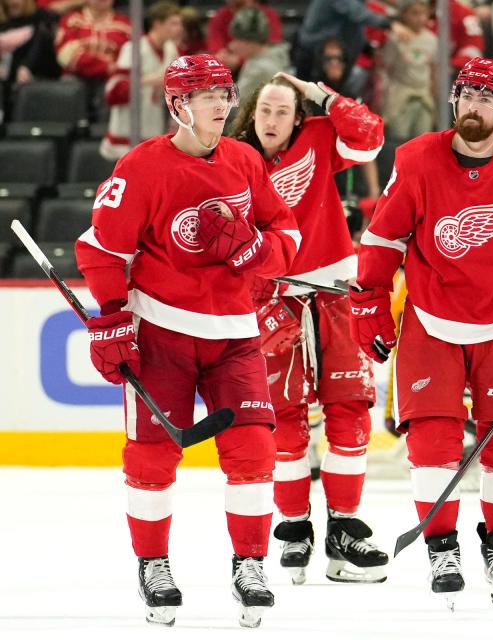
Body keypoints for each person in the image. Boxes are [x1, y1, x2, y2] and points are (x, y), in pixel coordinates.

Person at [74, 54, 301, 628]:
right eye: (209, 96)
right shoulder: (143, 167)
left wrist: (258, 255)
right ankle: (153, 564)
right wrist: (112, 316)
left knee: (254, 453)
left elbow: (286, 231)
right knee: (151, 459)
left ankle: (249, 563)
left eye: (227, 93)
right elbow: (101, 250)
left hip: (234, 334)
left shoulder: (245, 160)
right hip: (163, 333)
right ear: (178, 105)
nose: (224, 105)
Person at [350, 56, 493, 610]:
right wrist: (370, 301)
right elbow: (382, 241)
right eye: (468, 96)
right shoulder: (416, 160)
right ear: (455, 100)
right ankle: (442, 547)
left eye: (489, 98)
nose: (476, 107)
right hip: (431, 319)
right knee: (432, 439)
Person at [229, 71, 389, 585]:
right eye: (264, 110)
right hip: (270, 298)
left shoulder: (322, 136)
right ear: (251, 115)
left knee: (349, 412)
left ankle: (343, 527)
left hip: (336, 293)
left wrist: (322, 94)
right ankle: (295, 527)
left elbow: (370, 137)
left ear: (299, 117)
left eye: (282, 110)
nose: (271, 119)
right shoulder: (234, 159)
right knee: (286, 419)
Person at [100, 0, 182, 159]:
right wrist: (148, 81)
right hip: (126, 136)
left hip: (153, 130)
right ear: (157, 24)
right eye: (173, 23)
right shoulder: (133, 49)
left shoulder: (171, 49)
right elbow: (113, 92)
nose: (179, 29)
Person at [380, 0, 437, 141]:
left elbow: (434, 69)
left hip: (424, 96)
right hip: (400, 95)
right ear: (404, 14)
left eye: (424, 14)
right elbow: (385, 68)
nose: (421, 18)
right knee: (398, 138)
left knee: (422, 139)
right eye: (415, 13)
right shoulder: (395, 38)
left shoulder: (432, 40)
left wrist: (433, 94)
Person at [54, 0, 130, 83]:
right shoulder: (70, 21)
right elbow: (65, 55)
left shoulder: (127, 26)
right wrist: (107, 67)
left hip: (111, 83)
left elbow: (136, 58)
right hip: (75, 80)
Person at [229, 6, 289, 99]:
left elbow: (233, 106)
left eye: (237, 40)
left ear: (250, 41)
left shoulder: (260, 69)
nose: (232, 46)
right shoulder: (266, 56)